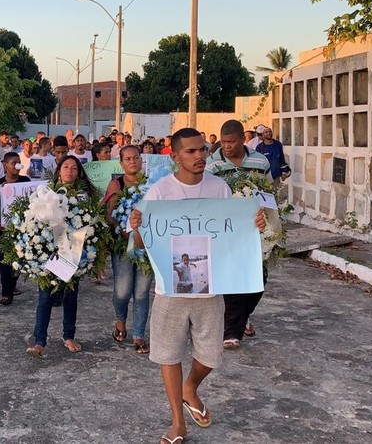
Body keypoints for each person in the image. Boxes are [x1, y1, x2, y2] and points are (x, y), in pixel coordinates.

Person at [129, 127, 266, 442]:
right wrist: (137, 227)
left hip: (210, 286)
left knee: (210, 356)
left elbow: (231, 231)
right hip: (171, 289)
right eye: (190, 151)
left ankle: (190, 387)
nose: (199, 156)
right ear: (175, 156)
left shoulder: (219, 188)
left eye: (203, 149)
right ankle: (178, 423)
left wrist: (253, 224)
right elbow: (142, 242)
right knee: (168, 354)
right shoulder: (160, 192)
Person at [206, 120, 272, 350]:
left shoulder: (260, 161)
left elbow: (269, 192)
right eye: (223, 142)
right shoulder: (212, 165)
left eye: (231, 142)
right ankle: (231, 333)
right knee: (233, 281)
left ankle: (241, 319)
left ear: (243, 140)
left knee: (259, 280)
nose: (226, 146)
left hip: (255, 228)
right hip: (226, 231)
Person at [25, 155, 98, 357]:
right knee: (45, 297)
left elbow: (91, 224)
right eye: (66, 167)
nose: (70, 171)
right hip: (49, 252)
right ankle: (39, 341)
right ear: (59, 170)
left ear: (79, 173)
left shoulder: (84, 197)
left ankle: (69, 336)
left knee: (70, 296)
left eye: (74, 168)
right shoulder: (46, 193)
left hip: (72, 251)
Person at [103, 144, 152, 354]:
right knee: (122, 291)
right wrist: (121, 228)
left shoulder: (152, 184)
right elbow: (108, 214)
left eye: (136, 158)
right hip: (123, 245)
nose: (133, 161)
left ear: (141, 160)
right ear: (121, 163)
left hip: (147, 247)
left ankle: (139, 334)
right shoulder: (116, 184)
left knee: (141, 292)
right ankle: (120, 320)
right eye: (128, 159)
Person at [0, 152, 30, 304]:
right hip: (3, 228)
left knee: (19, 258)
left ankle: (12, 284)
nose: (17, 166)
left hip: (22, 229)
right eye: (13, 163)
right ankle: (6, 292)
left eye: (19, 162)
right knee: (5, 260)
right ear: (5, 165)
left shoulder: (25, 181)